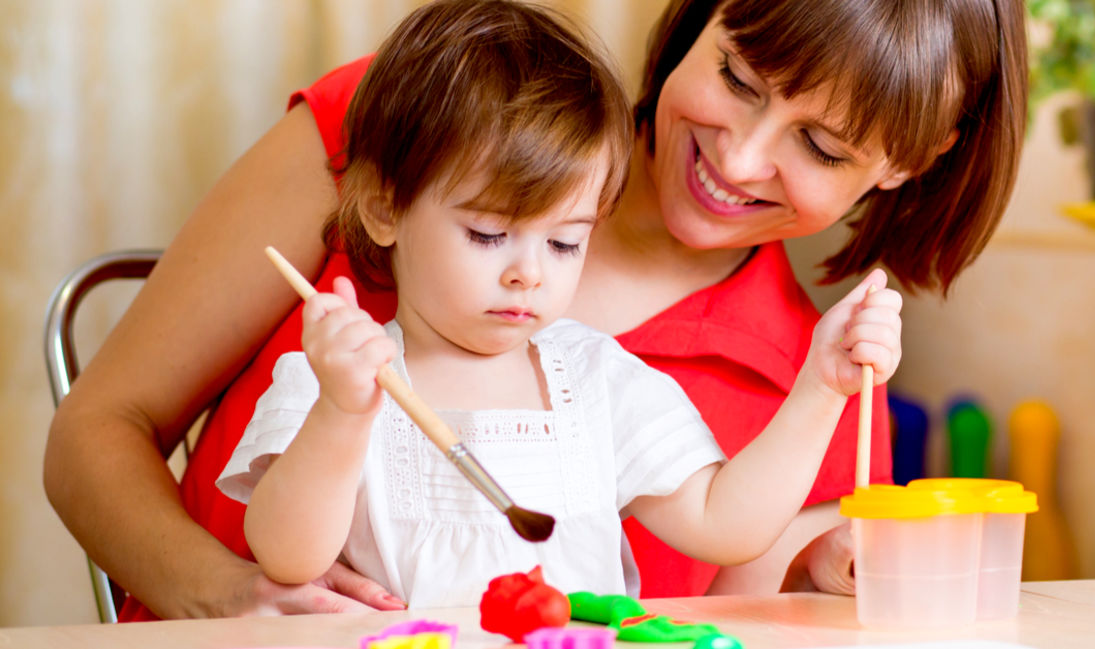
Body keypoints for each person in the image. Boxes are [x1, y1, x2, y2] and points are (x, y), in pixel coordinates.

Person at [44, 0, 1027, 620]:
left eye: (823, 147)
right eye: (734, 76)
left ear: (915, 159)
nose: (735, 159)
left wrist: (825, 575)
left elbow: (730, 575)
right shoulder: (419, 128)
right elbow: (98, 431)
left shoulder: (813, 383)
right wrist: (228, 598)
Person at [215, 1, 902, 610]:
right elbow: (287, 556)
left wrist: (820, 384)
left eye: (567, 243)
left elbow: (726, 522)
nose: (528, 274)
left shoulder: (599, 379)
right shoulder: (331, 378)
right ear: (383, 207)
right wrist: (341, 413)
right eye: (488, 234)